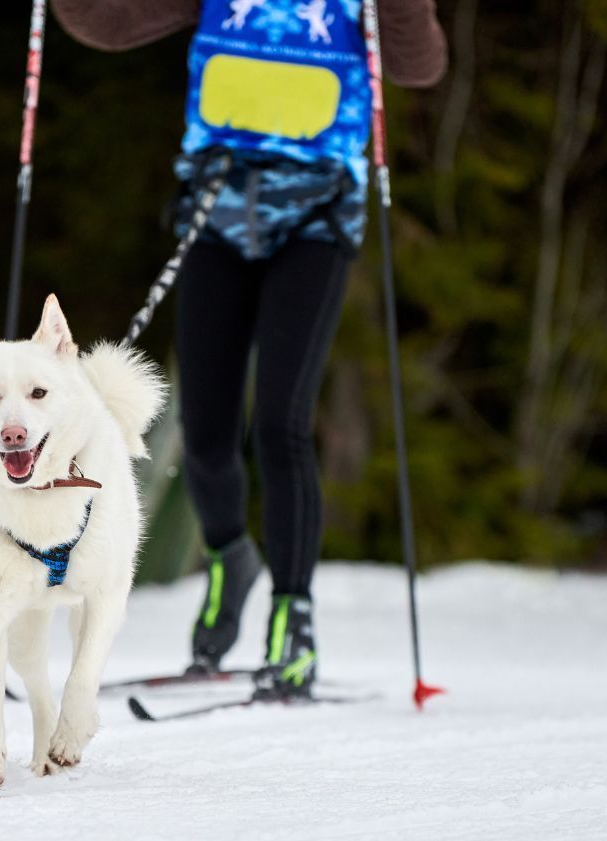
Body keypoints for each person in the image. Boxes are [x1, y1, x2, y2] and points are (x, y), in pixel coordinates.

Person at [51, 0, 446, 698]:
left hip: (316, 221)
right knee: (204, 433)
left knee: (281, 425)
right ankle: (231, 557)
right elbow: (104, 24)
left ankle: (294, 619)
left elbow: (419, 65)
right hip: (218, 219)